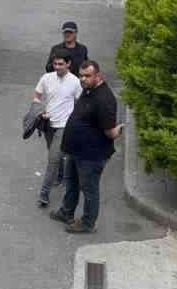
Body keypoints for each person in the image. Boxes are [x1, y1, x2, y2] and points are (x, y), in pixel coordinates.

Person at [50, 60, 123, 233]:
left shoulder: (104, 99)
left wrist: (120, 129)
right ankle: (67, 212)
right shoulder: (88, 90)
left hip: (91, 155)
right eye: (81, 75)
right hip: (76, 151)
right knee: (72, 183)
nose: (83, 79)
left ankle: (87, 223)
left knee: (89, 189)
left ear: (98, 76)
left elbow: (110, 132)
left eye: (87, 76)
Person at [32, 55, 82, 208]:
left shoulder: (75, 82)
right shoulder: (46, 78)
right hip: (48, 125)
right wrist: (40, 111)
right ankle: (60, 176)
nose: (57, 67)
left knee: (53, 160)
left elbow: (80, 102)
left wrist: (75, 120)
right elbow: (37, 96)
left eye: (61, 64)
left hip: (64, 126)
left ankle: (44, 195)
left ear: (68, 64)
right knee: (55, 154)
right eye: (55, 64)